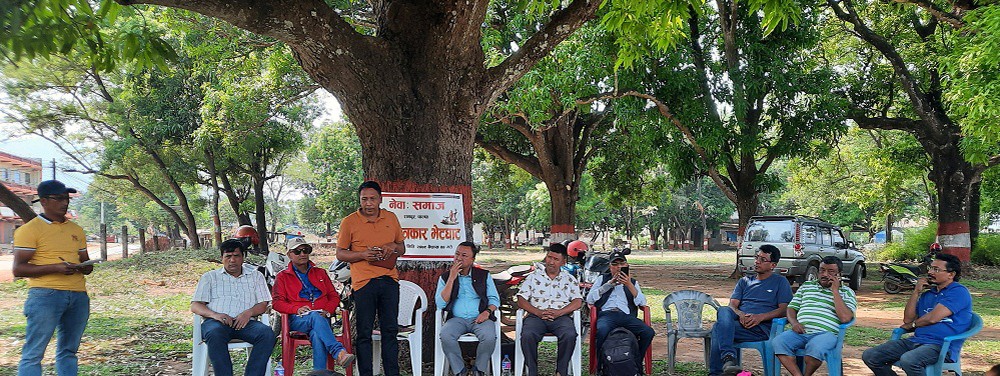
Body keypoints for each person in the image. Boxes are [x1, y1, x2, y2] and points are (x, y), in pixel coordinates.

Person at [13, 180, 93, 376]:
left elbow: (86, 263)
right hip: (45, 295)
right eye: (59, 198)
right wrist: (55, 267)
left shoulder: (76, 229)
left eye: (66, 198)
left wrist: (84, 267)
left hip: (78, 295)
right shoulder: (29, 230)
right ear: (44, 201)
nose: (64, 203)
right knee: (34, 353)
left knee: (69, 351)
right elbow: (19, 269)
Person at [336, 181, 406, 376]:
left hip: (389, 280)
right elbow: (340, 254)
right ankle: (365, 373)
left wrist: (392, 246)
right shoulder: (349, 222)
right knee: (364, 333)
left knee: (390, 331)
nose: (368, 203)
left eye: (372, 199)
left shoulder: (391, 218)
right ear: (359, 200)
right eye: (364, 199)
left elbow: (402, 248)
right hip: (363, 283)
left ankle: (392, 373)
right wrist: (362, 255)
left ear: (380, 200)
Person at [862, 253, 973, 376]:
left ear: (951, 274)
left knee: (909, 360)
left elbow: (932, 318)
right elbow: (907, 319)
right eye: (930, 268)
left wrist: (913, 325)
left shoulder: (958, 292)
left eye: (936, 269)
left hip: (941, 346)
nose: (930, 272)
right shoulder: (928, 294)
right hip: (916, 341)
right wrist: (916, 292)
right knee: (871, 356)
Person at [191, 238, 275, 376]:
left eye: (236, 256)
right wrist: (215, 315)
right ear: (221, 258)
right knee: (214, 333)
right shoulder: (210, 277)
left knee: (266, 334)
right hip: (216, 323)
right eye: (228, 256)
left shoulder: (256, 276)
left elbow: (263, 304)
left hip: (246, 323)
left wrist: (249, 313)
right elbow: (195, 305)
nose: (232, 260)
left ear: (243, 257)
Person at [273, 237, 356, 371]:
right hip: (298, 319)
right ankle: (338, 352)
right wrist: (296, 309)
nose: (303, 254)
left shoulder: (320, 272)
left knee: (317, 334)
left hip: (322, 317)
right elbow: (277, 303)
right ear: (289, 255)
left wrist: (328, 310)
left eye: (306, 250)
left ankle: (319, 373)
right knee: (314, 317)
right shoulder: (282, 276)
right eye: (297, 251)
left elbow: (334, 296)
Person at [710, 244, 793, 376]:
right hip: (741, 324)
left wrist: (760, 317)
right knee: (724, 310)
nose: (757, 262)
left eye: (763, 259)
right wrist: (741, 314)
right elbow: (733, 305)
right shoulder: (745, 281)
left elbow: (784, 310)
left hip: (762, 329)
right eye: (757, 257)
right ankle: (728, 360)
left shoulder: (780, 282)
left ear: (773, 265)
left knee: (717, 328)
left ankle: (720, 369)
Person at [772, 256, 857, 376]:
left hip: (826, 334)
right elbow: (791, 308)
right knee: (778, 342)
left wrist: (835, 291)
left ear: (839, 274)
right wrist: (794, 323)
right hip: (800, 332)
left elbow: (845, 318)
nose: (825, 274)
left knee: (814, 348)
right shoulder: (807, 286)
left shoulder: (847, 292)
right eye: (822, 270)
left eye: (831, 271)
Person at [435, 241, 501, 376]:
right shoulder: (445, 277)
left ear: (472, 259)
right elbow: (440, 304)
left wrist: (487, 312)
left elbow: (495, 299)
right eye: (457, 254)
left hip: (480, 318)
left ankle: (479, 370)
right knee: (446, 335)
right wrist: (452, 278)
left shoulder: (483, 275)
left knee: (489, 337)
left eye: (464, 255)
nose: (459, 258)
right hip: (456, 319)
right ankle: (460, 371)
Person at [517, 243, 583, 376]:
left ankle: (561, 371)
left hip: (560, 317)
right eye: (549, 257)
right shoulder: (533, 277)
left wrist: (559, 312)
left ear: (563, 262)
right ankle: (532, 371)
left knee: (569, 335)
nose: (551, 262)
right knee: (527, 335)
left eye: (556, 259)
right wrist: (538, 312)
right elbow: (521, 299)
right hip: (536, 316)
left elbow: (577, 301)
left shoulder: (569, 279)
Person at [585, 248, 655, 359]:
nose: (618, 267)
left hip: (626, 316)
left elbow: (642, 303)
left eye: (622, 264)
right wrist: (608, 285)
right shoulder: (602, 279)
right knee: (602, 331)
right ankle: (600, 365)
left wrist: (629, 285)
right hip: (607, 315)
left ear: (626, 266)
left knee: (648, 332)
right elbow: (590, 299)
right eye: (615, 264)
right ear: (610, 266)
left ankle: (636, 362)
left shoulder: (632, 282)